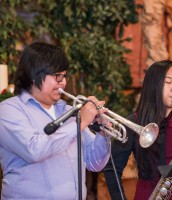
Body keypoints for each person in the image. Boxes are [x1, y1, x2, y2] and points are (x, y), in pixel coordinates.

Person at [0, 42, 111, 199]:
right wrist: (80, 122)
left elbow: (95, 163)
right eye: (57, 76)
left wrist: (103, 133)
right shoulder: (9, 110)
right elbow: (35, 150)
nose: (63, 82)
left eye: (64, 75)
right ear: (34, 75)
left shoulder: (67, 111)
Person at [103, 60, 172, 200]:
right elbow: (112, 169)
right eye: (168, 82)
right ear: (154, 85)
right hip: (149, 194)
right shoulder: (134, 122)